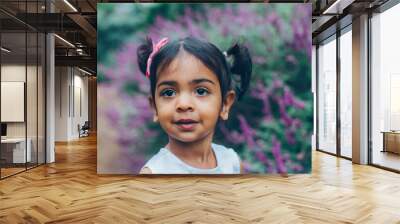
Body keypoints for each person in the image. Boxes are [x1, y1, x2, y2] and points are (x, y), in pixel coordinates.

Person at [137, 36, 252, 174]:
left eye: (201, 91)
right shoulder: (154, 174)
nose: (184, 105)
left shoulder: (232, 163)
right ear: (155, 107)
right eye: (168, 93)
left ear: (225, 104)